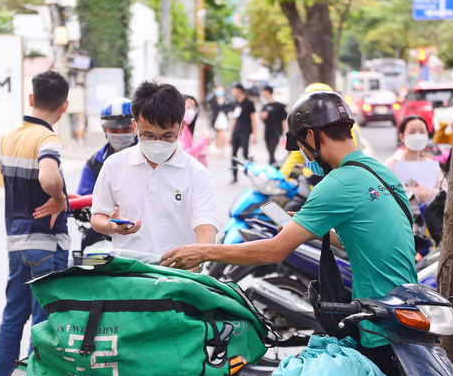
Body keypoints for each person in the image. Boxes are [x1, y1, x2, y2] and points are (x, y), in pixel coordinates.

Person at [161, 90, 417, 302]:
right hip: (408, 304)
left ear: (309, 136)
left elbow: (273, 251)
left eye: (301, 147)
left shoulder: (337, 182)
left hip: (379, 318)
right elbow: (369, 239)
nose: (304, 156)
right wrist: (316, 230)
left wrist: (203, 251)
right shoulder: (381, 170)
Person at [0, 70, 70, 376]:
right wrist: (59, 196)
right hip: (45, 243)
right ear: (64, 107)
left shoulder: (9, 136)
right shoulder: (47, 139)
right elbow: (48, 176)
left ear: (31, 99)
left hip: (15, 242)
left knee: (13, 316)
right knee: (43, 323)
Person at [90, 80, 219, 258]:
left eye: (167, 136)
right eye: (149, 135)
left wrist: (197, 256)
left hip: (176, 275)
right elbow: (98, 217)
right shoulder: (114, 165)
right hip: (128, 273)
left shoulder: (197, 174)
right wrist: (111, 226)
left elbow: (206, 231)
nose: (157, 143)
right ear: (135, 126)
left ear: (181, 128)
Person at [279, 82, 366, 179]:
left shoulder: (310, 132)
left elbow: (295, 158)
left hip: (321, 179)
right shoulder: (349, 126)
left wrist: (281, 178)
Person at [77, 97, 136, 196]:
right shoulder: (95, 162)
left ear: (135, 127)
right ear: (105, 129)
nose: (119, 135)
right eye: (113, 131)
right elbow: (83, 197)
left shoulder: (148, 155)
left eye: (126, 130)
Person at [384, 115, 448, 204]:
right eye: (412, 132)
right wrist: (417, 193)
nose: (417, 136)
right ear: (402, 137)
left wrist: (425, 192)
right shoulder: (393, 163)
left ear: (427, 135)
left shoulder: (431, 164)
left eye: (422, 132)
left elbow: (444, 190)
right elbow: (388, 191)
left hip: (428, 216)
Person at [229, 82, 258, 182]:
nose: (232, 92)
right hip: (236, 131)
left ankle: (256, 172)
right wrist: (230, 134)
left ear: (239, 90)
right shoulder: (235, 103)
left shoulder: (249, 103)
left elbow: (253, 119)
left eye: (234, 89)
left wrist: (254, 134)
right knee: (233, 154)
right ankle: (234, 176)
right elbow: (233, 119)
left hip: (245, 131)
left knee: (245, 153)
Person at [179, 95, 209, 167]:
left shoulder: (186, 127)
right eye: (187, 107)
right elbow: (185, 153)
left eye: (193, 108)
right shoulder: (179, 128)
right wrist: (203, 140)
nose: (189, 110)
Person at [260, 85, 287, 164]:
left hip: (276, 132)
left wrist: (284, 133)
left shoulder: (279, 106)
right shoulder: (265, 106)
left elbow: (283, 120)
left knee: (272, 152)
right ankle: (274, 164)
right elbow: (262, 120)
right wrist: (262, 117)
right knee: (270, 152)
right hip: (267, 132)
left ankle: (272, 165)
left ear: (268, 92)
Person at [208, 85, 232, 158]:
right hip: (215, 120)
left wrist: (223, 112)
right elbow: (208, 100)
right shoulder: (213, 99)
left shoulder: (227, 100)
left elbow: (230, 108)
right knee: (215, 136)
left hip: (223, 120)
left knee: (222, 136)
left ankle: (222, 151)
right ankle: (216, 150)